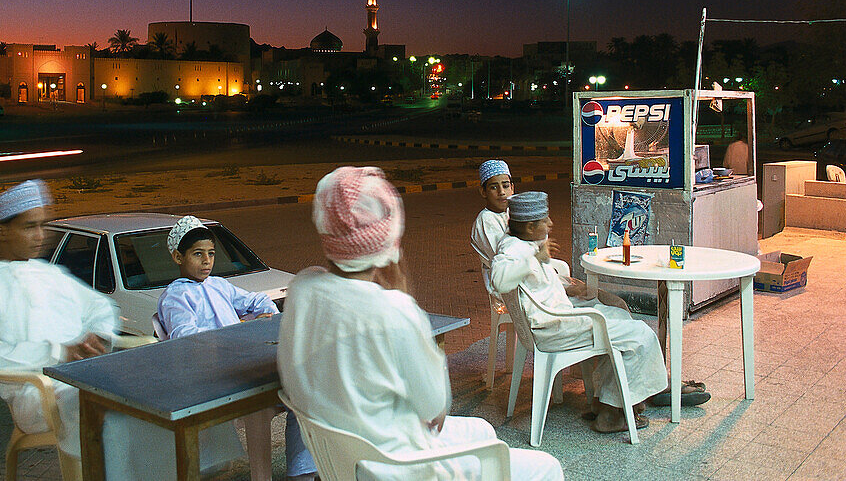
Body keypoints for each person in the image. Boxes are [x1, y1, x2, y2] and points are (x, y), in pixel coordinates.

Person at [278, 166, 562, 481]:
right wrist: (403, 296)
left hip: (346, 459)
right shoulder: (393, 309)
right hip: (400, 468)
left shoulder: (302, 288)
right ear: (388, 243)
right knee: (546, 467)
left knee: (482, 429)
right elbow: (434, 409)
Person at [0, 180, 242, 480]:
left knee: (172, 382)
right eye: (29, 227)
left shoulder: (46, 273)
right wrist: (57, 350)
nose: (40, 236)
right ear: (1, 231)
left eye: (42, 226)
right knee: (115, 414)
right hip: (39, 392)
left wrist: (97, 334)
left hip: (87, 374)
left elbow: (99, 307)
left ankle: (197, 469)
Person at [490, 191, 672, 434]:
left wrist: (567, 285)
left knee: (620, 315)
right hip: (556, 328)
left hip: (558, 318)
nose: (551, 224)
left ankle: (606, 403)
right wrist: (534, 258)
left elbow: (538, 285)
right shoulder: (516, 251)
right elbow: (500, 280)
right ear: (531, 227)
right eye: (546, 221)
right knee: (641, 334)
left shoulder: (522, 244)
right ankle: (614, 413)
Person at [157, 215, 317, 481]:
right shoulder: (176, 296)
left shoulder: (218, 285)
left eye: (210, 253)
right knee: (294, 386)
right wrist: (238, 330)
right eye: (197, 254)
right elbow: (185, 338)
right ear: (178, 257)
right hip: (216, 376)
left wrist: (260, 317)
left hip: (244, 362)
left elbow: (257, 302)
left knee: (305, 392)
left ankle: (302, 472)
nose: (207, 261)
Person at [470, 159, 628, 311]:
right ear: (483, 191)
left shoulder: (514, 212)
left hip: (537, 280)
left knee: (611, 300)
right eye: (493, 187)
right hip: (524, 290)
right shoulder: (486, 221)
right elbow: (510, 263)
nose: (502, 192)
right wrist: (561, 284)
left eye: (505, 186)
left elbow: (536, 250)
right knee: (610, 303)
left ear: (513, 187)